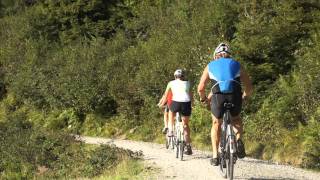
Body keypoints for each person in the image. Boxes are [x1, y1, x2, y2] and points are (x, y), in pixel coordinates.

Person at [197, 43, 253, 166]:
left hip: (218, 97)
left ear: (216, 56)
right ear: (229, 55)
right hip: (235, 96)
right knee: (236, 119)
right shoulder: (237, 64)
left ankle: (215, 156)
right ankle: (238, 140)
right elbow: (249, 86)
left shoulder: (210, 66)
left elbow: (200, 88)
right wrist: (245, 97)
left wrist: (203, 99)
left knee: (216, 122)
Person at [158, 69, 193, 155]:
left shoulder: (171, 83)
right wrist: (192, 103)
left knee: (170, 112)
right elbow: (191, 95)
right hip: (186, 104)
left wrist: (162, 104)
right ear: (183, 76)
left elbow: (166, 95)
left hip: (175, 103)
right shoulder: (188, 83)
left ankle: (171, 130)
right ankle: (188, 145)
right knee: (185, 124)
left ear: (175, 76)